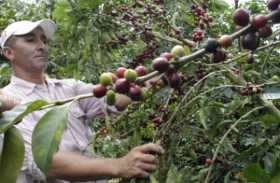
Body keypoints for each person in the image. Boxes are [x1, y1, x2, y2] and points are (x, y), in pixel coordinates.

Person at [0, 19, 164, 183]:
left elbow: (113, 100)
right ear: (9, 53)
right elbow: (45, 163)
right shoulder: (7, 103)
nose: (41, 45)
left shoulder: (69, 88)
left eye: (43, 40)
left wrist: (154, 79)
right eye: (30, 40)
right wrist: (120, 165)